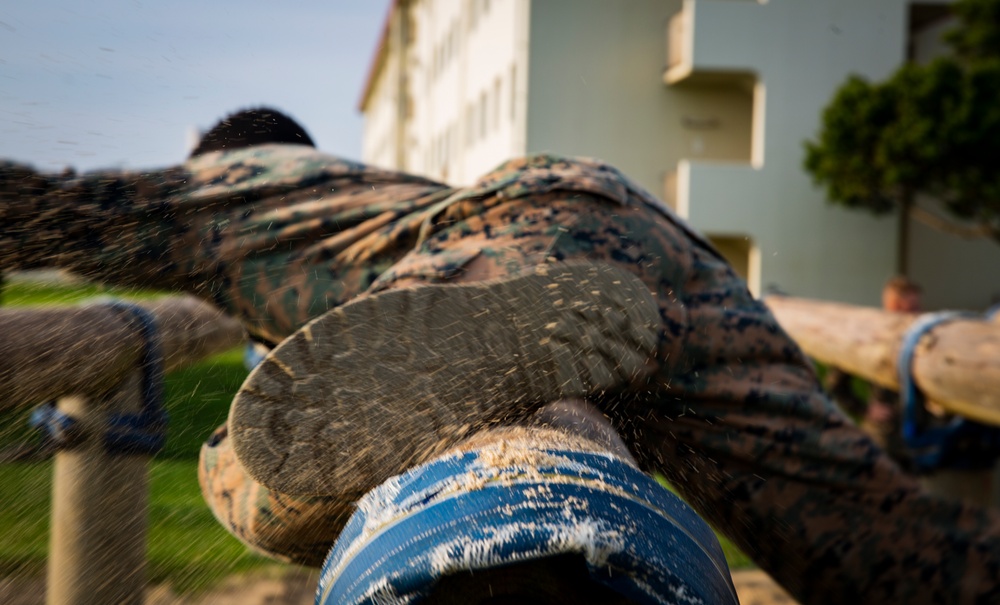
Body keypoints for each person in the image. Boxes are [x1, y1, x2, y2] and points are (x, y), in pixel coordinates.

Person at [3, 108, 1000, 604]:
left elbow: (65, 208)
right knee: (883, 552)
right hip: (655, 251)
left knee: (253, 476)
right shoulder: (384, 187)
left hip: (522, 250)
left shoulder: (240, 177)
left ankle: (491, 347)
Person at [824, 277, 923, 469]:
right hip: (884, 441)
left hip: (915, 442)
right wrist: (864, 409)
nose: (917, 313)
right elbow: (835, 384)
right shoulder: (871, 337)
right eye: (913, 307)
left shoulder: (918, 339)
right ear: (894, 306)